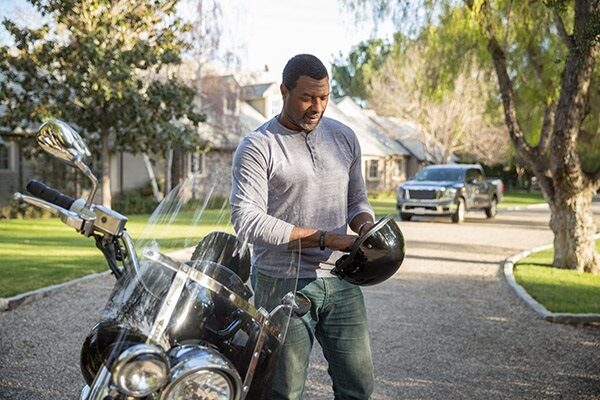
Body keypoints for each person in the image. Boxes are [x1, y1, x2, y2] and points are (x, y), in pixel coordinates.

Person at [230, 54, 375, 400]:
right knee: (283, 391)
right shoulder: (258, 146)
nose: (317, 106)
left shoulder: (344, 138)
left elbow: (356, 200)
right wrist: (325, 238)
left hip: (340, 280)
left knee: (358, 386)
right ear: (284, 91)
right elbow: (247, 219)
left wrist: (367, 227)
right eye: (307, 97)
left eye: (324, 97)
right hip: (281, 282)